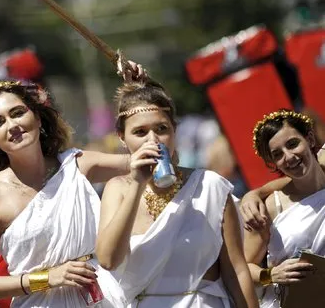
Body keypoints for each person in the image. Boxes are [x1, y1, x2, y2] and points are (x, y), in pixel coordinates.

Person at [0, 63, 145, 308]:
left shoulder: (77, 165)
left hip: (104, 298)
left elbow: (148, 159)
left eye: (17, 113)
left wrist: (139, 92)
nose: (11, 125)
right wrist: (47, 278)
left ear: (37, 117)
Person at [95, 78, 258, 308]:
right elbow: (108, 260)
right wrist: (138, 184)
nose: (153, 140)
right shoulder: (118, 189)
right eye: (140, 132)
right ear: (122, 137)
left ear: (174, 131)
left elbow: (236, 271)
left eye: (161, 129)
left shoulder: (210, 186)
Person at [241, 110, 324, 308]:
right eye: (277, 154)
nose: (289, 157)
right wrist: (270, 275)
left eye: (293, 144)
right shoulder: (270, 207)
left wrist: (254, 192)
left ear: (310, 139)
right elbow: (241, 268)